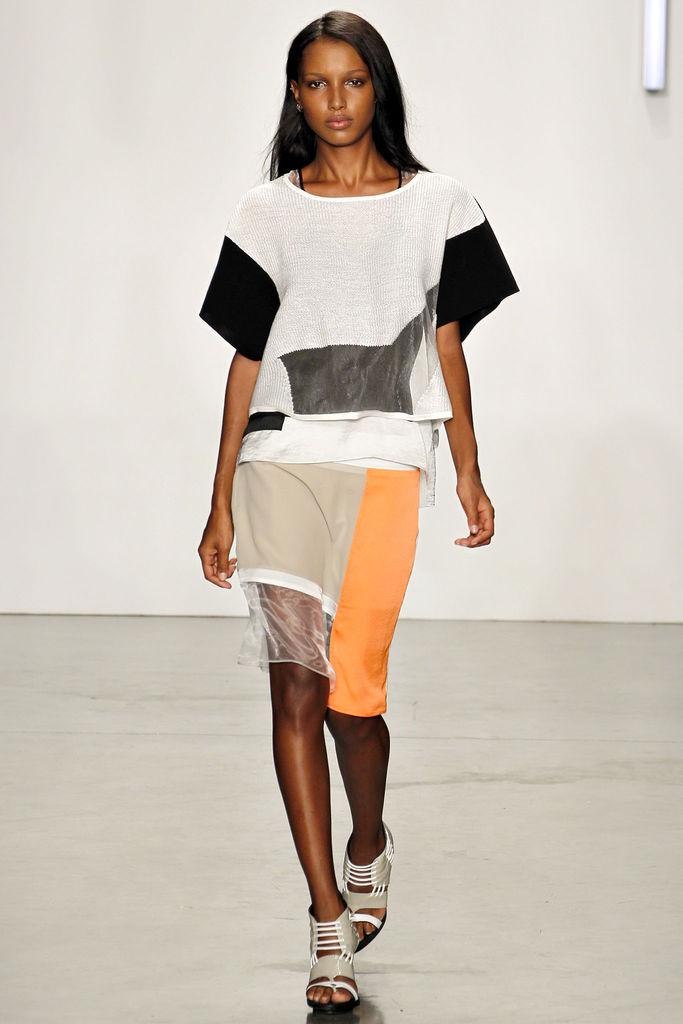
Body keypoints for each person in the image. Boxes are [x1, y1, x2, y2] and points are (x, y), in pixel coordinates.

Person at [197, 10, 519, 1014]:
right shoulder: (265, 212)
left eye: (351, 81)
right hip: (280, 462)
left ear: (378, 88)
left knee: (354, 696)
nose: (334, 101)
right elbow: (245, 358)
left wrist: (467, 469)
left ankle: (368, 839)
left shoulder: (439, 205)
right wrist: (217, 499)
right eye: (315, 83)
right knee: (296, 687)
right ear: (295, 97)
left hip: (384, 458)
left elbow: (447, 345)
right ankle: (327, 920)